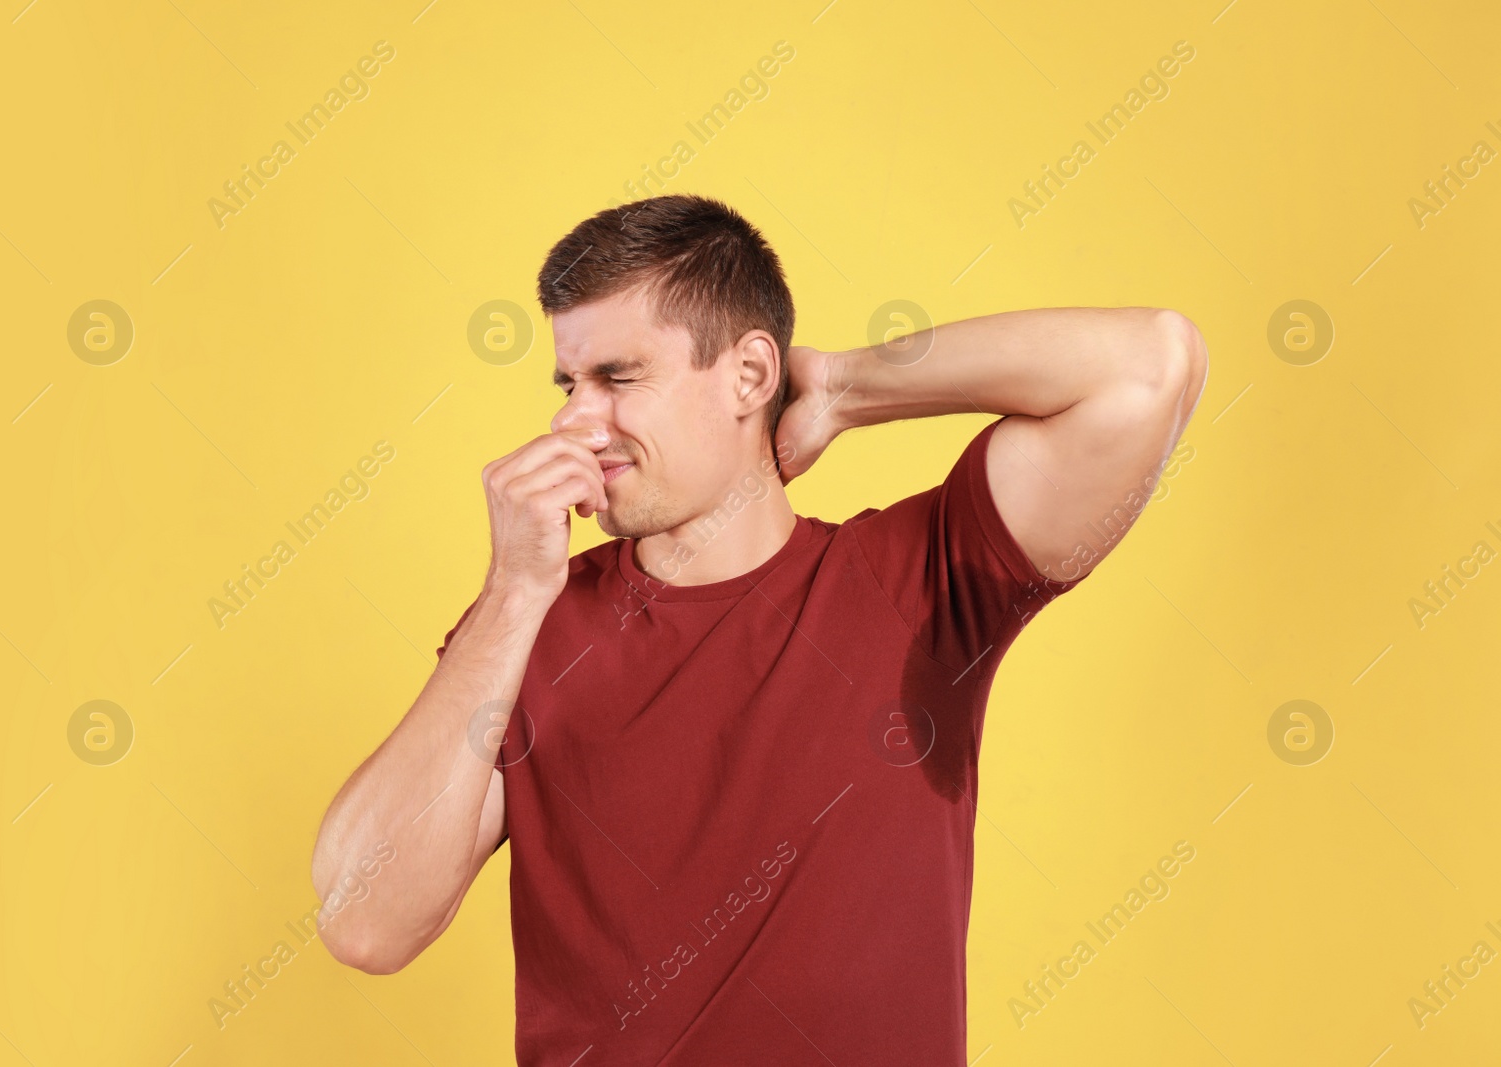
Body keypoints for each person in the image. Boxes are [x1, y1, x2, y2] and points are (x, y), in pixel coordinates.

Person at [310, 193, 1208, 1065]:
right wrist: (510, 594)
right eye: (569, 383)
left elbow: (1151, 364)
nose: (573, 419)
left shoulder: (911, 584)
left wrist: (851, 386)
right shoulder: (527, 630)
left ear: (748, 375)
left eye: (617, 377)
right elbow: (362, 921)